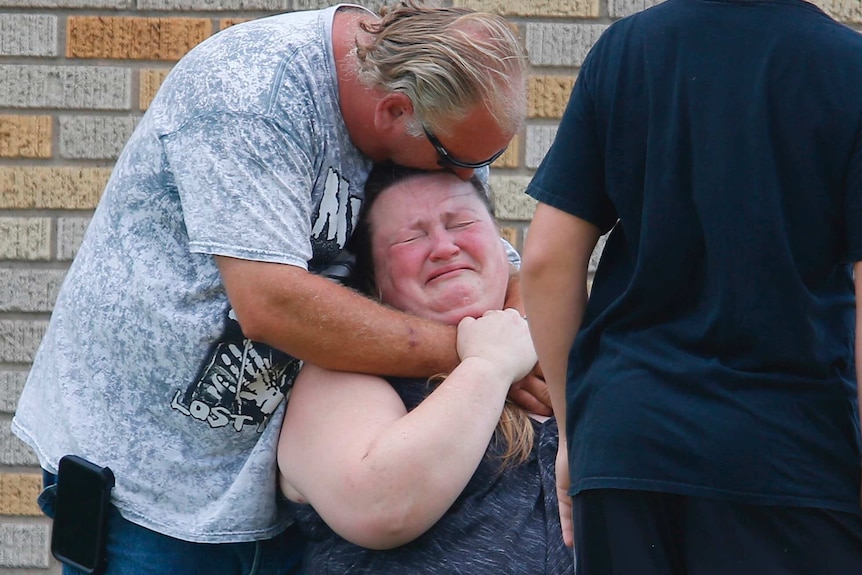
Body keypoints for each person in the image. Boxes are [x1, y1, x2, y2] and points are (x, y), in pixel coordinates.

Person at [11, 2, 544, 574]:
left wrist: (529, 338)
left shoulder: (441, 120)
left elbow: (488, 255)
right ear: (395, 110)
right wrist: (478, 359)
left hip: (289, 481)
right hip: (149, 484)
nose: (469, 176)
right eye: (461, 160)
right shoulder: (251, 92)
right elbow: (271, 304)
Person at [521, 0, 862, 573]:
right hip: (787, 455)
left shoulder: (624, 51)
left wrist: (576, 431)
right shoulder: (848, 69)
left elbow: (546, 261)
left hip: (627, 439)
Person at [277, 164, 573, 574]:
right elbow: (379, 505)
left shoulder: (569, 352)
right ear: (373, 278)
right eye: (410, 237)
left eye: (462, 223)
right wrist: (488, 365)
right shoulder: (342, 377)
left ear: (503, 246)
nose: (444, 248)